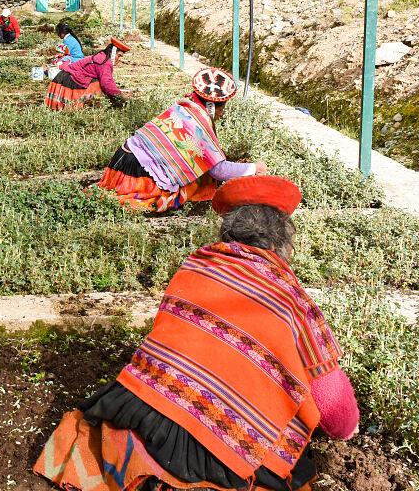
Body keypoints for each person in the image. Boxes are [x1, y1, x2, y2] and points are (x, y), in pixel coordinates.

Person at [36, 175, 359, 491]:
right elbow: (331, 398)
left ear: (228, 233)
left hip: (148, 409)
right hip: (224, 447)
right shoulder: (290, 298)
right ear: (282, 243)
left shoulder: (195, 266)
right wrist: (346, 428)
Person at [97, 67, 266, 212]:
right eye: (222, 109)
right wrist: (253, 168)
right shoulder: (198, 124)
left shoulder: (184, 105)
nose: (222, 115)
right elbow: (217, 170)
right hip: (138, 174)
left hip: (121, 160)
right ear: (212, 107)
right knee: (192, 185)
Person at [44, 37, 131, 110]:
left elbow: (109, 80)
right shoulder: (104, 62)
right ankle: (82, 105)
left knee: (97, 82)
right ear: (112, 53)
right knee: (97, 84)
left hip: (67, 76)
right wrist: (120, 96)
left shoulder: (103, 57)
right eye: (119, 55)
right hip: (68, 79)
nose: (119, 59)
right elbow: (107, 84)